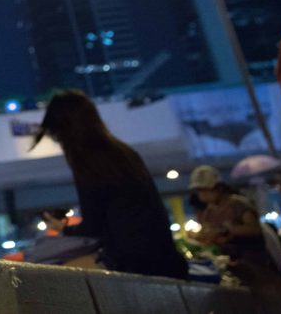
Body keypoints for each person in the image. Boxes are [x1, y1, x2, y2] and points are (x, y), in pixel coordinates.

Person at [32, 90, 188, 279]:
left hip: (132, 261)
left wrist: (63, 229)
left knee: (53, 277)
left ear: (66, 131)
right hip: (164, 257)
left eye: (58, 136)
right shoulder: (123, 152)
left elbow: (94, 226)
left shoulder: (88, 162)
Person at [189, 165, 281, 313]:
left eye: (205, 190)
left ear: (218, 188)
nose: (202, 195)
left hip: (255, 265)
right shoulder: (208, 212)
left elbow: (254, 229)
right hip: (227, 267)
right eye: (199, 191)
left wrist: (228, 230)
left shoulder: (238, 204)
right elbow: (208, 236)